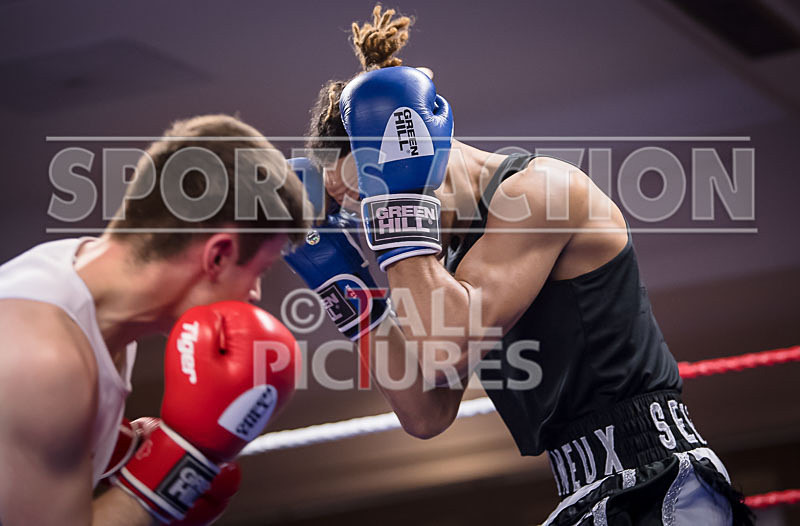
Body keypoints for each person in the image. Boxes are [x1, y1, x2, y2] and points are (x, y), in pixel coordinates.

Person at [286, 6, 753, 525]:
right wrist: (343, 285)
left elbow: (445, 347)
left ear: (411, 155)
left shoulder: (542, 191)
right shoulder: (452, 265)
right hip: (583, 491)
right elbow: (425, 412)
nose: (383, 237)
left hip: (658, 478)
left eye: (376, 206)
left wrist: (397, 202)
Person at [0, 114, 307, 525]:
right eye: (259, 273)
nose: (254, 295)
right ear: (218, 255)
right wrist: (183, 464)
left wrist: (125, 450)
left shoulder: (79, 293)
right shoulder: (46, 356)